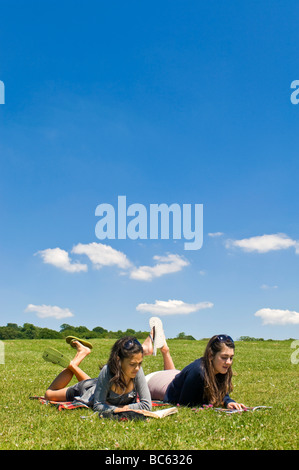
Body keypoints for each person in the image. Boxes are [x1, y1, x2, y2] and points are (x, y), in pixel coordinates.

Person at [142, 321, 246, 411]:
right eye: (224, 357)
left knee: (177, 378)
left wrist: (228, 401)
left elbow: (221, 392)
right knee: (174, 384)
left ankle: (165, 351)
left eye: (231, 358)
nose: (228, 362)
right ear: (210, 355)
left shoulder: (219, 368)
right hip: (155, 381)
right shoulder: (198, 372)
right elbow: (184, 403)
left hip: (175, 376)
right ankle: (145, 347)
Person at [43, 336, 152, 417]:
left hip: (97, 385)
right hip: (87, 390)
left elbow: (147, 405)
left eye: (140, 363)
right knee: (49, 394)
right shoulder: (107, 371)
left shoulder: (137, 370)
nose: (137, 368)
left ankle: (83, 352)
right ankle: (74, 363)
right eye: (132, 364)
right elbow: (98, 406)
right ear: (118, 360)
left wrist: (118, 408)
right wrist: (122, 409)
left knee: (93, 384)